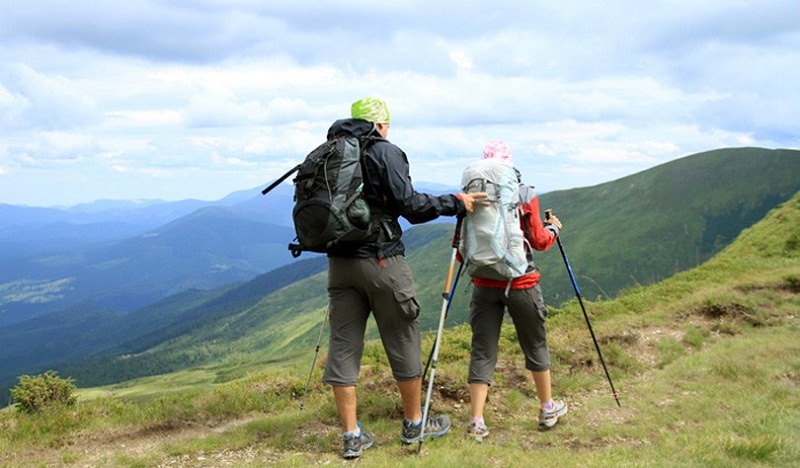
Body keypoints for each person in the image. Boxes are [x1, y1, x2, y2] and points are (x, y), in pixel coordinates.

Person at [321, 96, 487, 459]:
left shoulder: (330, 152)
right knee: (402, 337)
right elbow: (409, 205)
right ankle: (414, 423)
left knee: (344, 344)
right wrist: (456, 202)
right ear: (381, 124)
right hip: (382, 262)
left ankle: (351, 435)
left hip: (339, 264)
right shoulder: (386, 152)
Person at [460, 140, 567, 441]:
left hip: (482, 283)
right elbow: (538, 240)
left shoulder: (472, 192)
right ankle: (547, 408)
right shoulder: (523, 192)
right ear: (509, 163)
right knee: (535, 344)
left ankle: (477, 422)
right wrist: (555, 229)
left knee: (482, 350)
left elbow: (461, 246)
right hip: (521, 282)